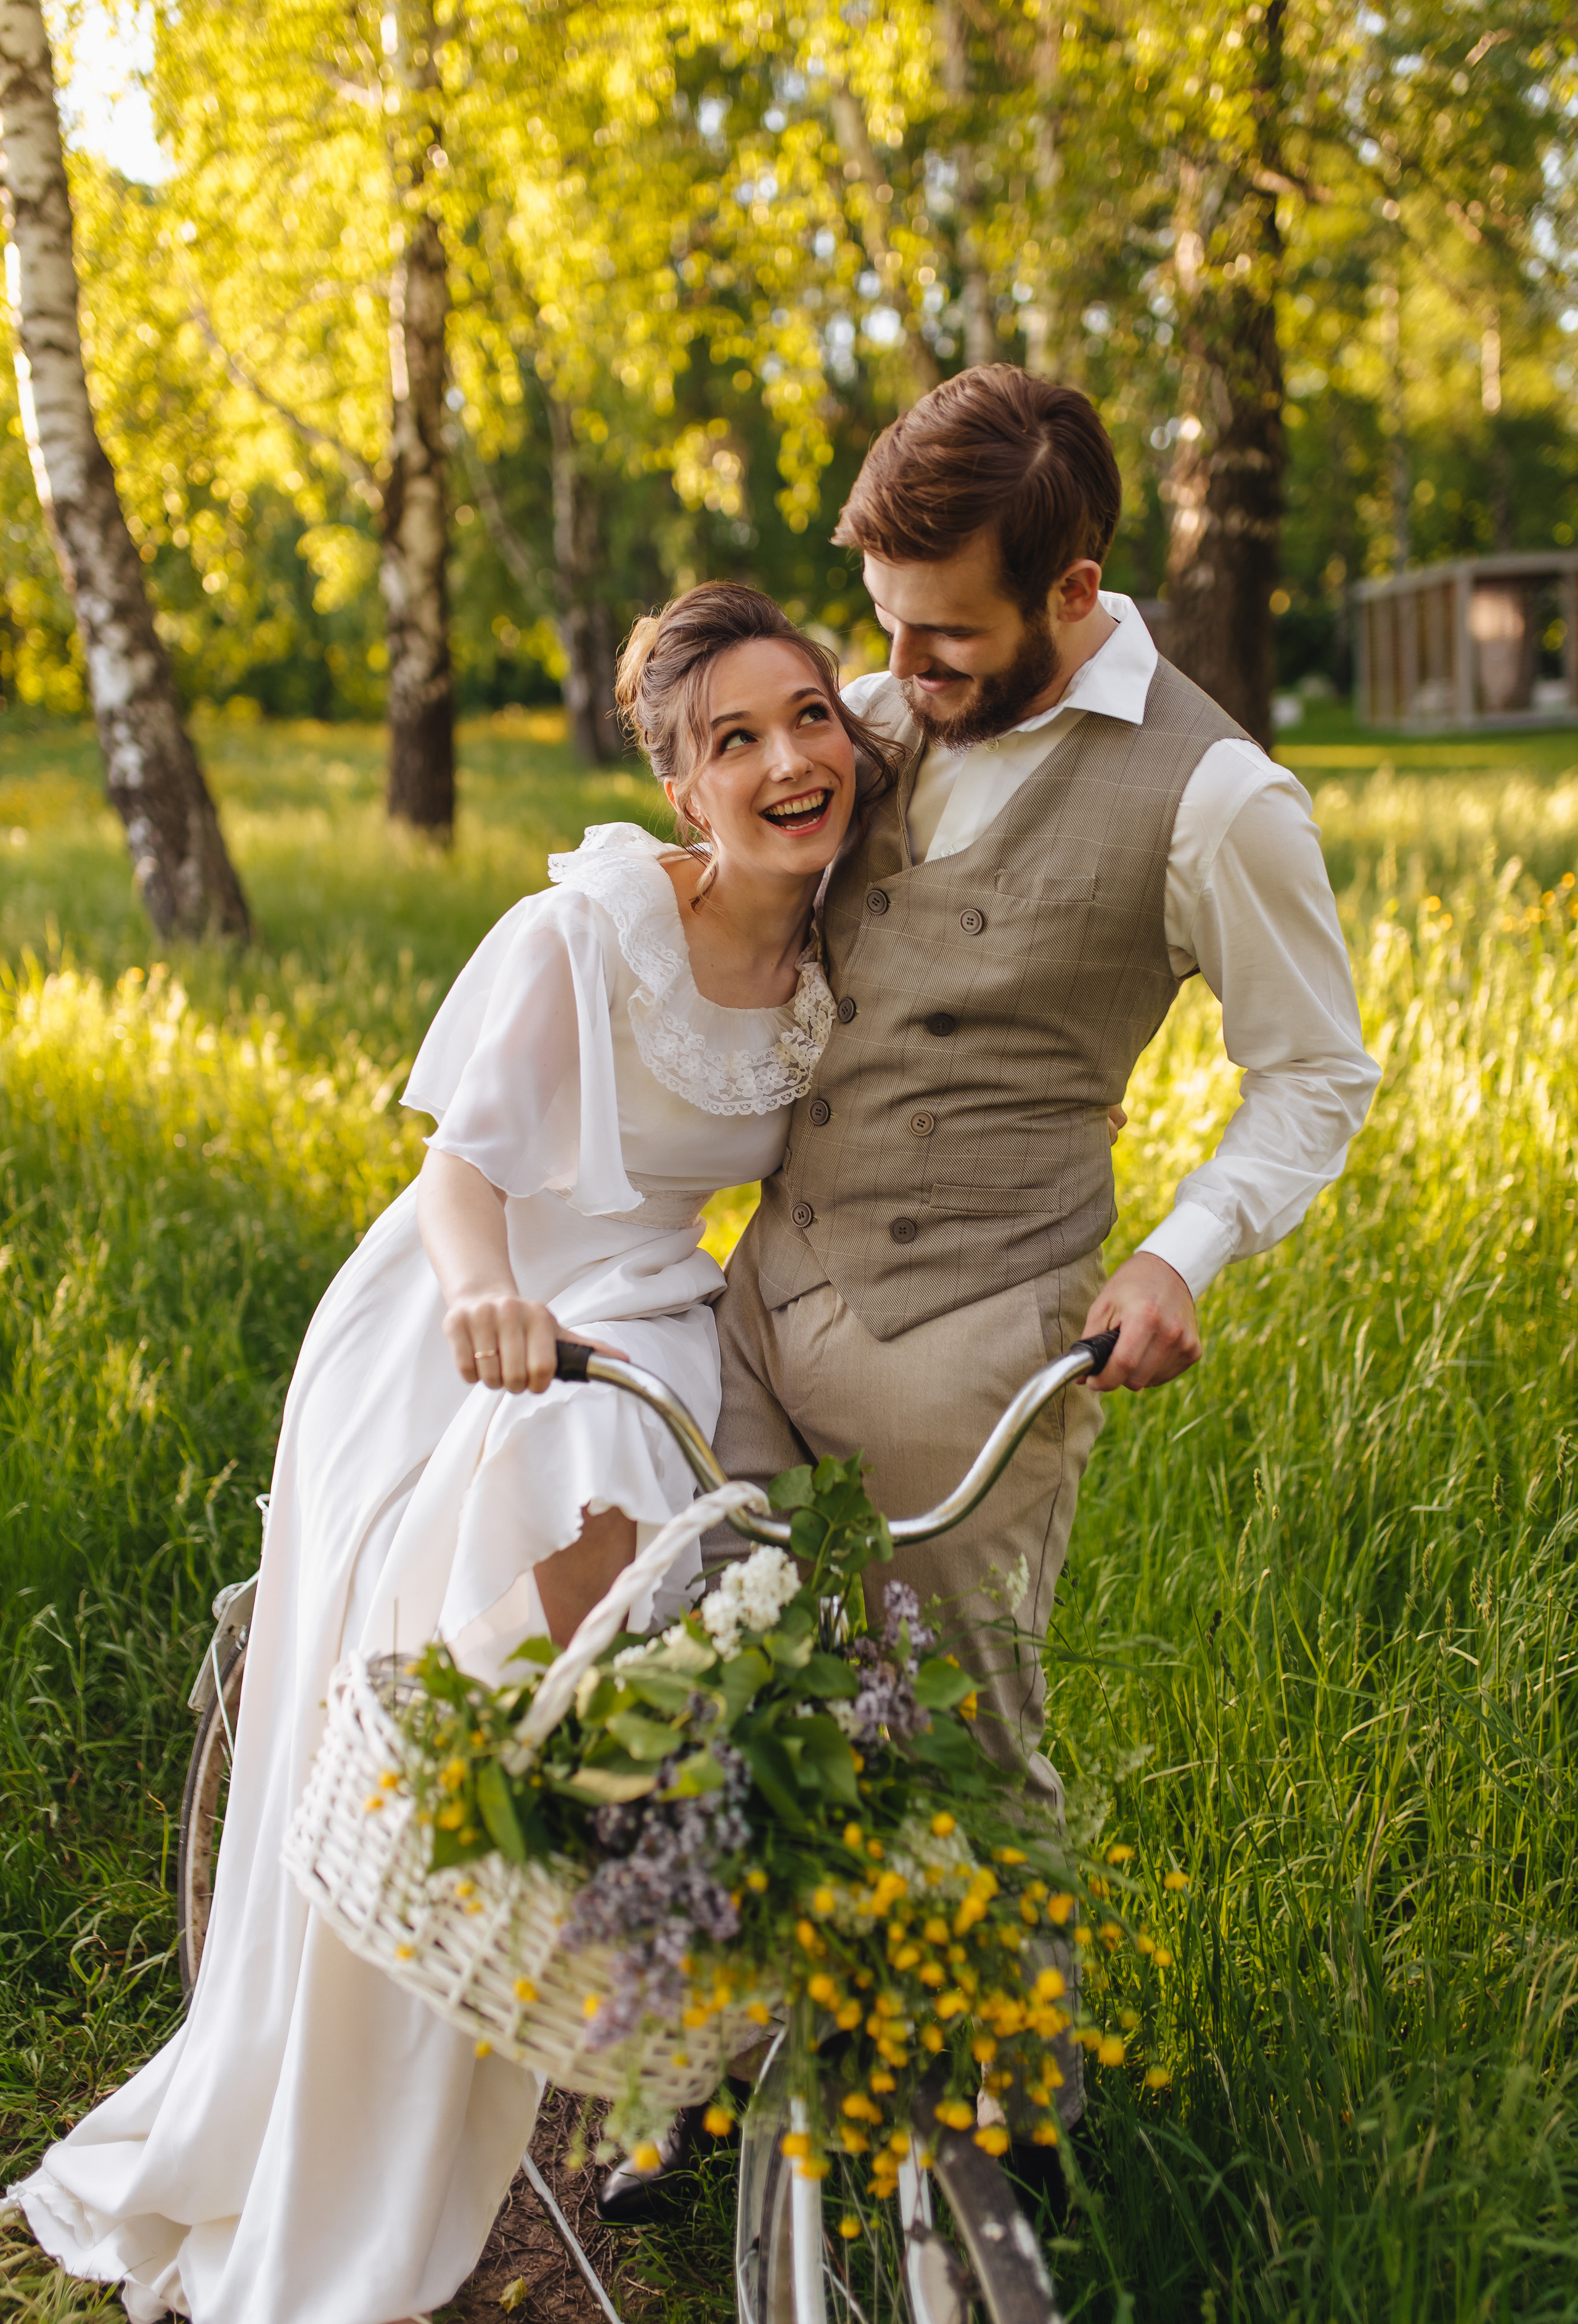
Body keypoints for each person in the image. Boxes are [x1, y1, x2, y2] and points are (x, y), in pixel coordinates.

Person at [7, 584, 900, 2324]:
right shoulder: (583, 928)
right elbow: (459, 1178)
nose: (792, 759)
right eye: (736, 742)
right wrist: (489, 1301)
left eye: (810, 717)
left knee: (764, 1585)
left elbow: (949, 686)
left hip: (665, 1306)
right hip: (487, 1311)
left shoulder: (840, 930)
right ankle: (482, 1854)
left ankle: (646, 1910)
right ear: (679, 787)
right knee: (553, 1483)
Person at [705, 365, 1380, 2155]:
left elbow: (1316, 1073)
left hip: (978, 1345)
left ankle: (1017, 2152)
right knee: (718, 1682)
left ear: (1075, 592)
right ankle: (733, 2052)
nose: (895, 683)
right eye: (887, 634)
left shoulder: (1221, 799)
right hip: (762, 1304)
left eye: (945, 644)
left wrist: (1185, 1251)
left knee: (963, 1745)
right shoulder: (863, 710)